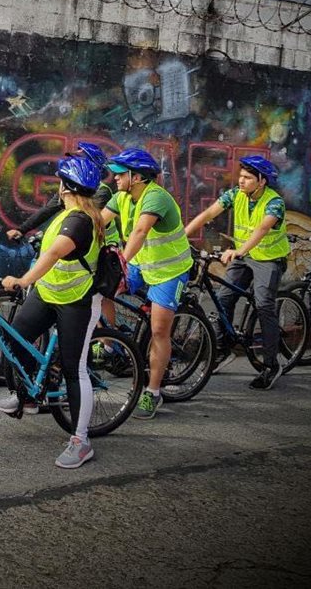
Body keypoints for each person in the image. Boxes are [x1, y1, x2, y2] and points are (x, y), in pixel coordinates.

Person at [0, 156, 105, 469]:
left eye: (59, 182)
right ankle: (26, 395)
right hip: (49, 292)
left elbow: (56, 251)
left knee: (74, 369)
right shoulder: (67, 210)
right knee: (17, 337)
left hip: (77, 301)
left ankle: (81, 441)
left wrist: (23, 280)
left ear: (67, 188)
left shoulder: (80, 220)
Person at [184, 155, 289, 391]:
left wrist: (239, 250)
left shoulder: (275, 203)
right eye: (240, 176)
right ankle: (223, 348)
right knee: (223, 298)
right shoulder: (235, 195)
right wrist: (182, 236)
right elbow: (209, 214)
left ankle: (271, 365)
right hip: (243, 257)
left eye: (247, 178)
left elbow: (262, 228)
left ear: (261, 181)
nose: (241, 181)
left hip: (268, 260)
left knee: (264, 305)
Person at [102, 148, 193, 419]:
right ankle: (110, 346)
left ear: (137, 177)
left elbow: (141, 231)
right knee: (102, 290)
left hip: (169, 271)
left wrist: (121, 262)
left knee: (159, 330)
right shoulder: (122, 198)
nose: (114, 178)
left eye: (120, 174)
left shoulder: (156, 197)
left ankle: (153, 392)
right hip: (142, 264)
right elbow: (96, 222)